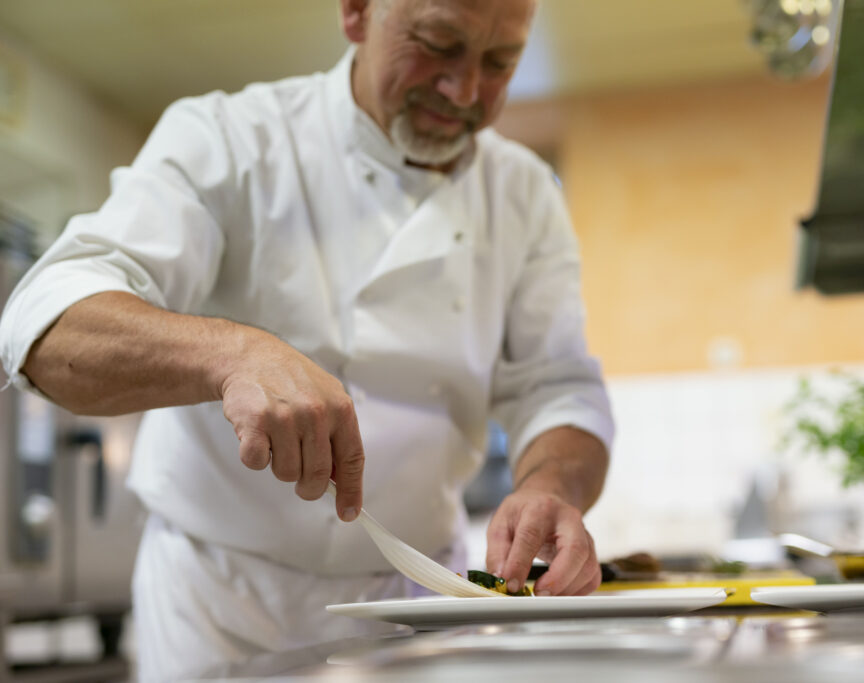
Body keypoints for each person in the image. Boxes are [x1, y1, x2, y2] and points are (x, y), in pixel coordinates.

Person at [0, 0, 614, 678]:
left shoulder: (526, 195)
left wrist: (552, 482)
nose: (465, 90)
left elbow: (559, 389)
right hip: (221, 606)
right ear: (355, 12)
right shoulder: (231, 139)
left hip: (415, 595)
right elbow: (48, 325)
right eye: (438, 44)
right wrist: (230, 354)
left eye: (500, 62)